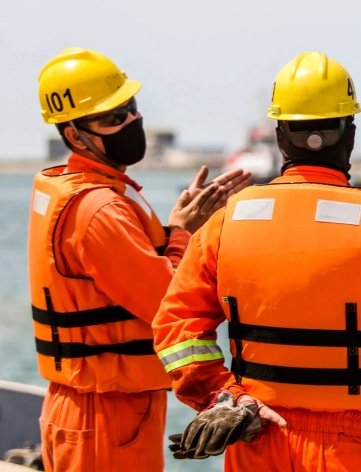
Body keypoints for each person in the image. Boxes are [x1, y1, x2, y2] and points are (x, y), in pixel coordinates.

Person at [153, 51, 361, 471]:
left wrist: (223, 396)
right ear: (350, 134)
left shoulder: (225, 224)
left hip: (255, 441)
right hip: (355, 454)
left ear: (280, 137)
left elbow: (176, 331)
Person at [29, 47, 251, 471]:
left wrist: (173, 231)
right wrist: (185, 234)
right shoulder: (100, 210)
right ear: (75, 135)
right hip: (106, 412)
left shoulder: (80, 189)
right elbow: (168, 304)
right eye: (112, 118)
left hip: (93, 403)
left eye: (130, 108)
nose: (130, 121)